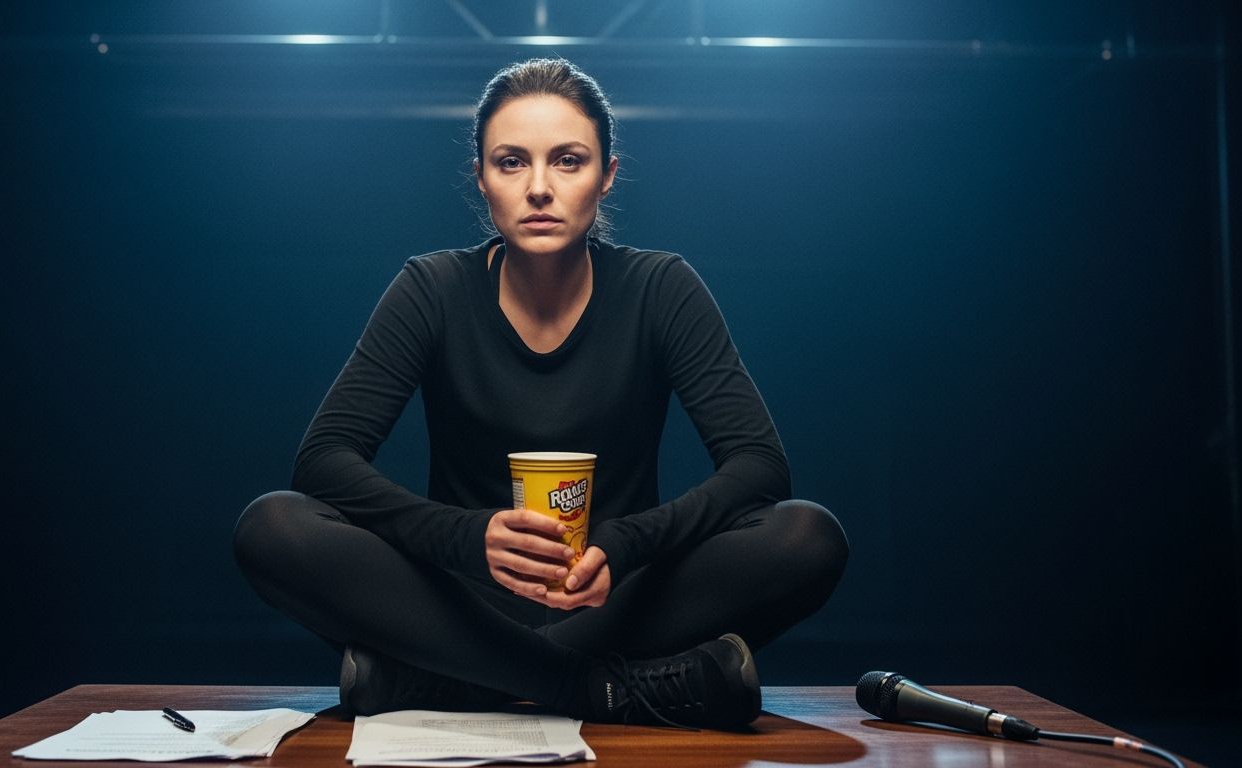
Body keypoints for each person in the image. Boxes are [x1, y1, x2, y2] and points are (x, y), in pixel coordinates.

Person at [233, 58, 848, 730]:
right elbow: (324, 459)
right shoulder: (433, 288)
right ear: (481, 179)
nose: (539, 188)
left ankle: (449, 683)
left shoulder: (660, 288)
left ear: (606, 176)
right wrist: (469, 539)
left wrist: (623, 544)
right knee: (272, 525)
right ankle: (599, 691)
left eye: (567, 160)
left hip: (614, 602)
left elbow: (758, 466)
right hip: (454, 605)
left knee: (806, 536)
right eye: (510, 162)